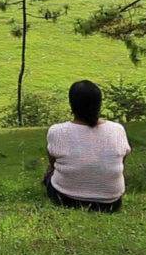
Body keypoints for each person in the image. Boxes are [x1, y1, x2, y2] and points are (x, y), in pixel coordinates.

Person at [44, 80, 131, 213]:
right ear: (99, 104)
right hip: (111, 203)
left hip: (66, 198)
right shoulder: (117, 129)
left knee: (49, 174)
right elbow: (121, 162)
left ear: (72, 104)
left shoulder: (57, 131)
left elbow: (53, 163)